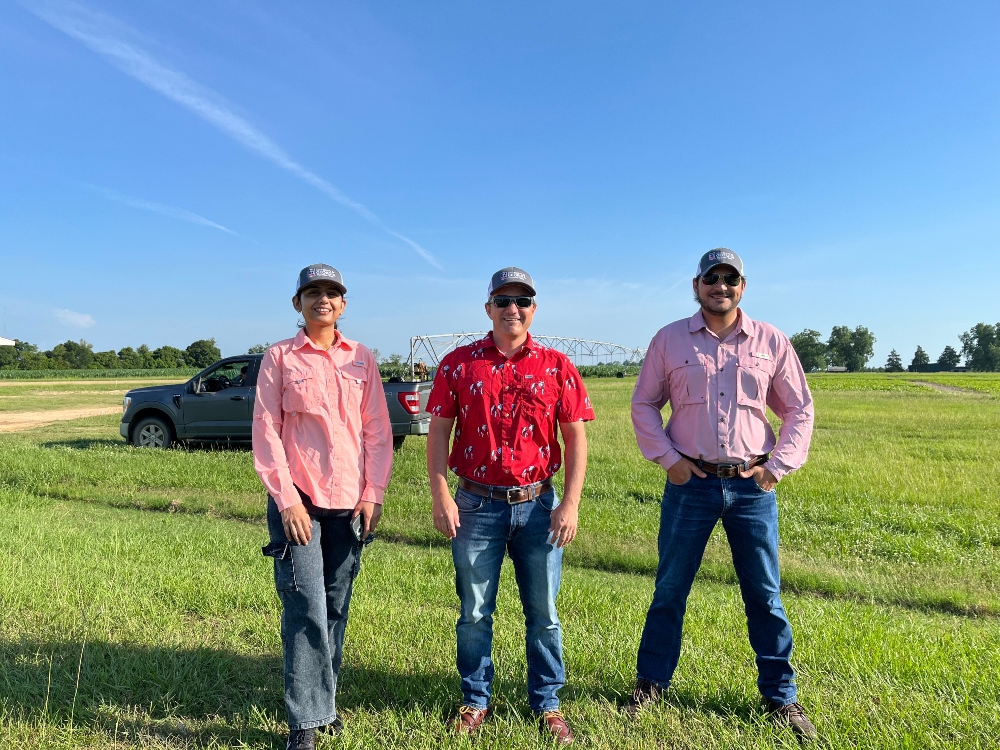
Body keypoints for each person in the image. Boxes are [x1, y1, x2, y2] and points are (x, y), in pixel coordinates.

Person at [627, 249, 817, 740]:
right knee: (670, 588)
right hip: (691, 484)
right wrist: (669, 460)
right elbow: (644, 404)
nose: (721, 285)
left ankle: (781, 697)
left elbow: (799, 409)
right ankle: (651, 683)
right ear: (697, 286)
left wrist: (776, 468)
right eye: (711, 277)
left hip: (752, 487)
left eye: (730, 278)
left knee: (765, 594)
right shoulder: (669, 340)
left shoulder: (770, 341)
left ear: (742, 287)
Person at [426, 267, 594, 745]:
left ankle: (547, 703)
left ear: (533, 309)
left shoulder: (557, 365)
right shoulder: (458, 364)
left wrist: (570, 503)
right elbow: (438, 431)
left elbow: (575, 438)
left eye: (522, 301)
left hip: (539, 505)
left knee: (544, 613)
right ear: (488, 309)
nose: (512, 309)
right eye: (503, 301)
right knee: (474, 612)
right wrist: (441, 493)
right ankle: (475, 700)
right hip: (475, 504)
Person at [253, 263, 392, 750]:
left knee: (335, 605)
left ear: (343, 304)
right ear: (298, 303)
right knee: (305, 606)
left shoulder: (362, 358)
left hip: (350, 502)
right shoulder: (280, 357)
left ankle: (323, 703)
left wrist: (374, 492)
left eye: (332, 293)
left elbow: (377, 430)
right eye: (313, 292)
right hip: (301, 503)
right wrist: (286, 499)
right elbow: (266, 430)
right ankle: (305, 721)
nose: (323, 300)